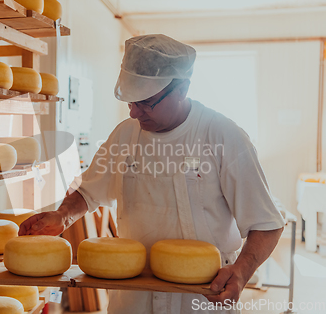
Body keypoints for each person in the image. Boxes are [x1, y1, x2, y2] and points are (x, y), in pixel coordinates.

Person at [19, 34, 285, 314]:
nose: (135, 113)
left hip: (201, 298)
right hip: (133, 297)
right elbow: (89, 191)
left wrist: (241, 272)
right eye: (130, 102)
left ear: (182, 88)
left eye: (146, 102)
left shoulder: (223, 137)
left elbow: (267, 223)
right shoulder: (125, 135)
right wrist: (62, 216)